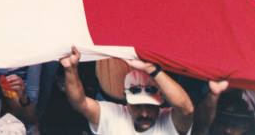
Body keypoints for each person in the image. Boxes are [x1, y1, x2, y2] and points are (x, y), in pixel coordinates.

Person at [60, 46, 194, 134]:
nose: (145, 113)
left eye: (150, 105)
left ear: (161, 101)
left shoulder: (169, 123)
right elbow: (80, 103)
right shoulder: (113, 116)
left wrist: (151, 70)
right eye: (137, 106)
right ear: (126, 102)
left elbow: (186, 108)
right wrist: (70, 69)